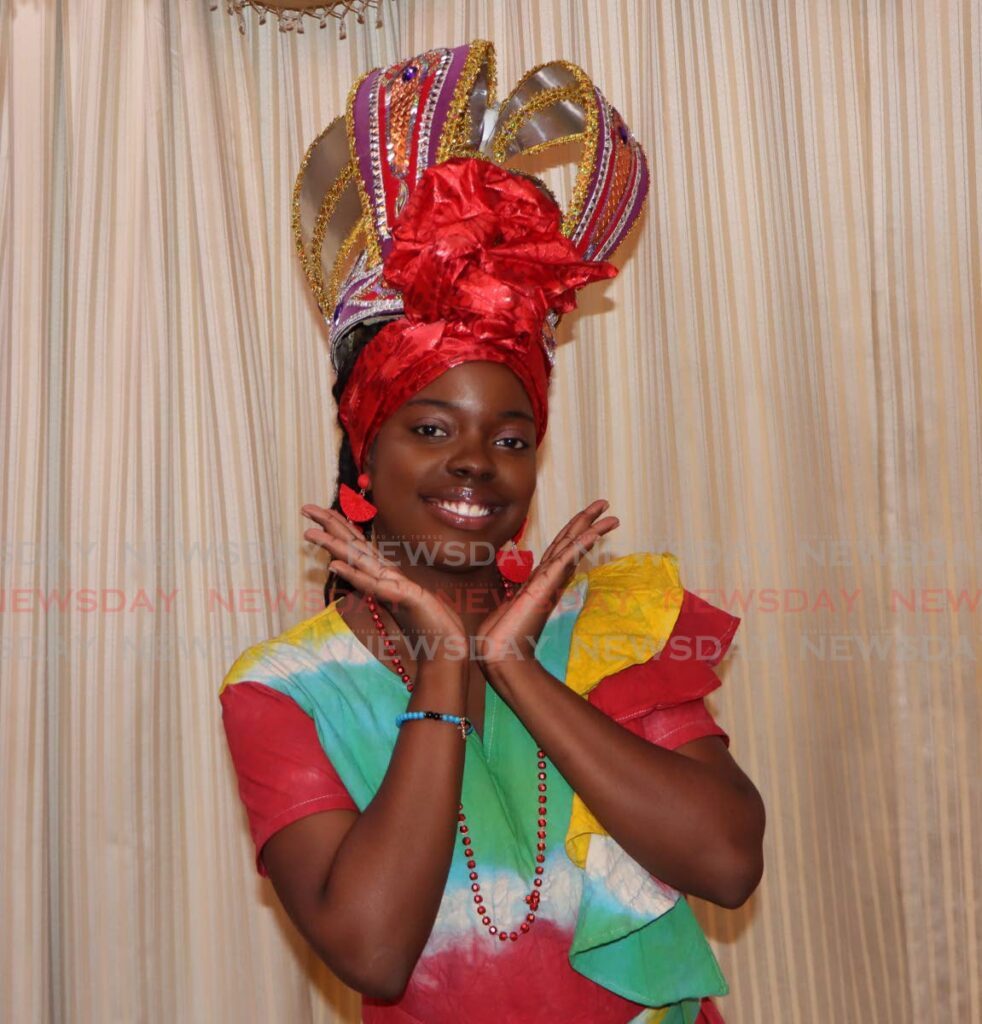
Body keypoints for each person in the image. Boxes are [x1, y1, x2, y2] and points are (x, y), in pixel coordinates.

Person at [219, 42, 765, 1024]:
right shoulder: (278, 689)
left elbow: (725, 861)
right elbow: (374, 950)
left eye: (509, 437)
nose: (475, 461)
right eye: (430, 429)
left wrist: (516, 667)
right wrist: (443, 663)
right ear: (365, 453)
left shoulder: (614, 623)